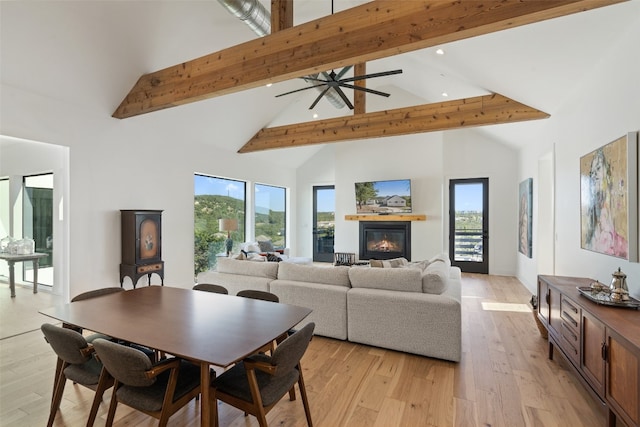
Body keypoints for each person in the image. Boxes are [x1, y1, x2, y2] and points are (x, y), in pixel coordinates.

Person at [584, 149, 628, 258]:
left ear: (607, 171)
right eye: (592, 172)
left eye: (598, 168)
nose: (594, 175)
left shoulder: (616, 202)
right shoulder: (594, 207)